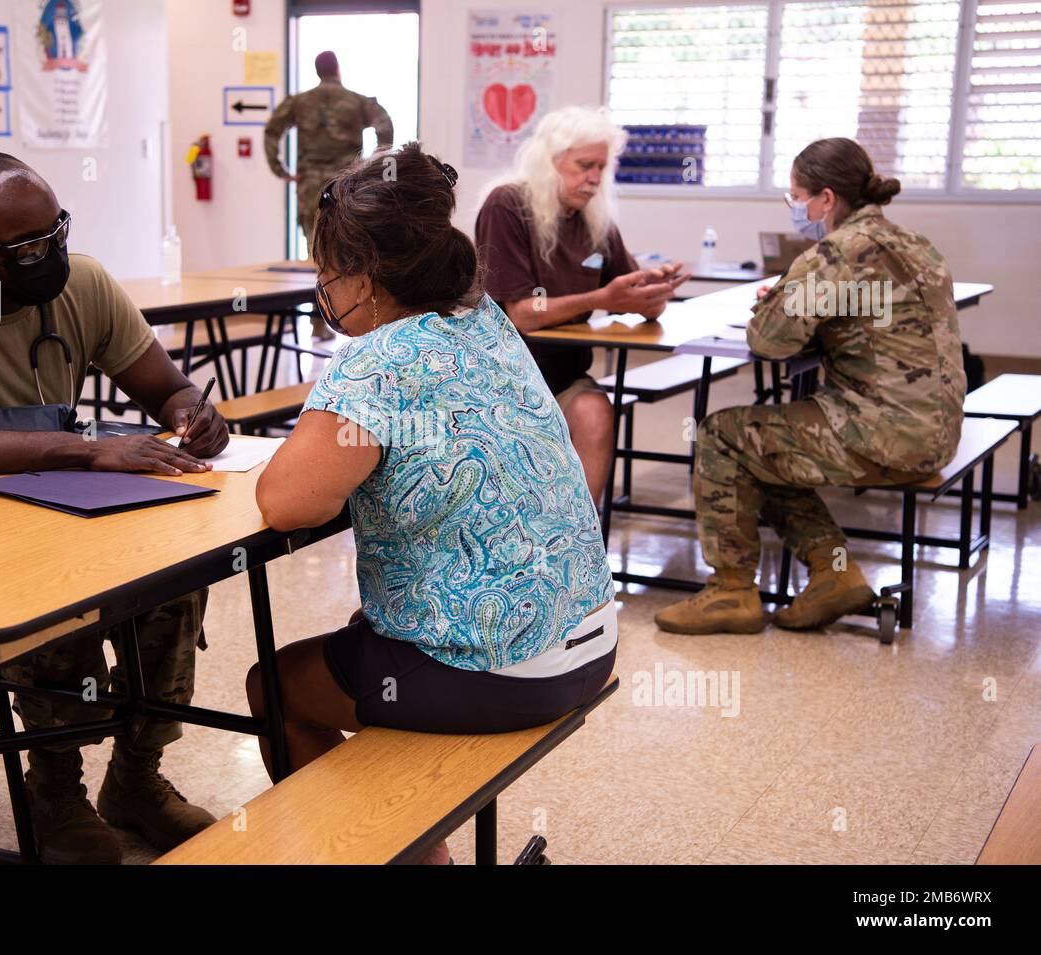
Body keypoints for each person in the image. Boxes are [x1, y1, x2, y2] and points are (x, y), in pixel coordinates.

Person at [0, 151, 230, 863]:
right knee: (57, 598)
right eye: (24, 248)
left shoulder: (80, 282)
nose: (48, 254)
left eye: (55, 231)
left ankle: (136, 780)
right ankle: (54, 788)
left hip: (52, 508)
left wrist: (193, 411)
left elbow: (167, 389)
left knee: (174, 582)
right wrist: (82, 450)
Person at [248, 143, 617, 864]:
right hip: (589, 635)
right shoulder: (484, 319)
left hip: (509, 669)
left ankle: (411, 856)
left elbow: (286, 501)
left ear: (366, 276)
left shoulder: (375, 361)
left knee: (275, 687)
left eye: (327, 269)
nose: (322, 286)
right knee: (364, 633)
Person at [655, 137, 966, 635]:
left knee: (723, 436)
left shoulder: (838, 250)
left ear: (826, 198)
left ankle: (731, 591)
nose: (795, 207)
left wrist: (777, 299)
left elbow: (771, 339)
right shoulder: (914, 243)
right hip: (937, 429)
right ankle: (833, 574)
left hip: (886, 432)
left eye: (797, 196)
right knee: (768, 445)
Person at [474, 106, 688, 511]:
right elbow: (522, 312)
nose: (593, 179)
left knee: (595, 413)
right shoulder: (507, 206)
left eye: (600, 169)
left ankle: (582, 542)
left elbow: (630, 291)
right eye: (584, 166)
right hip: (506, 380)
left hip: (564, 374)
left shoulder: (595, 220)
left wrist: (655, 289)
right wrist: (602, 299)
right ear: (549, 162)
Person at [264, 50, 394, 339]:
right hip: (347, 189)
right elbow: (384, 124)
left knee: (318, 257)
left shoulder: (299, 102)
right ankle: (356, 323)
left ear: (317, 70)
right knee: (354, 254)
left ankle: (318, 323)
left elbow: (272, 129)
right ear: (337, 69)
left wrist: (280, 168)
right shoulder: (357, 101)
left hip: (311, 188)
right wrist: (373, 164)